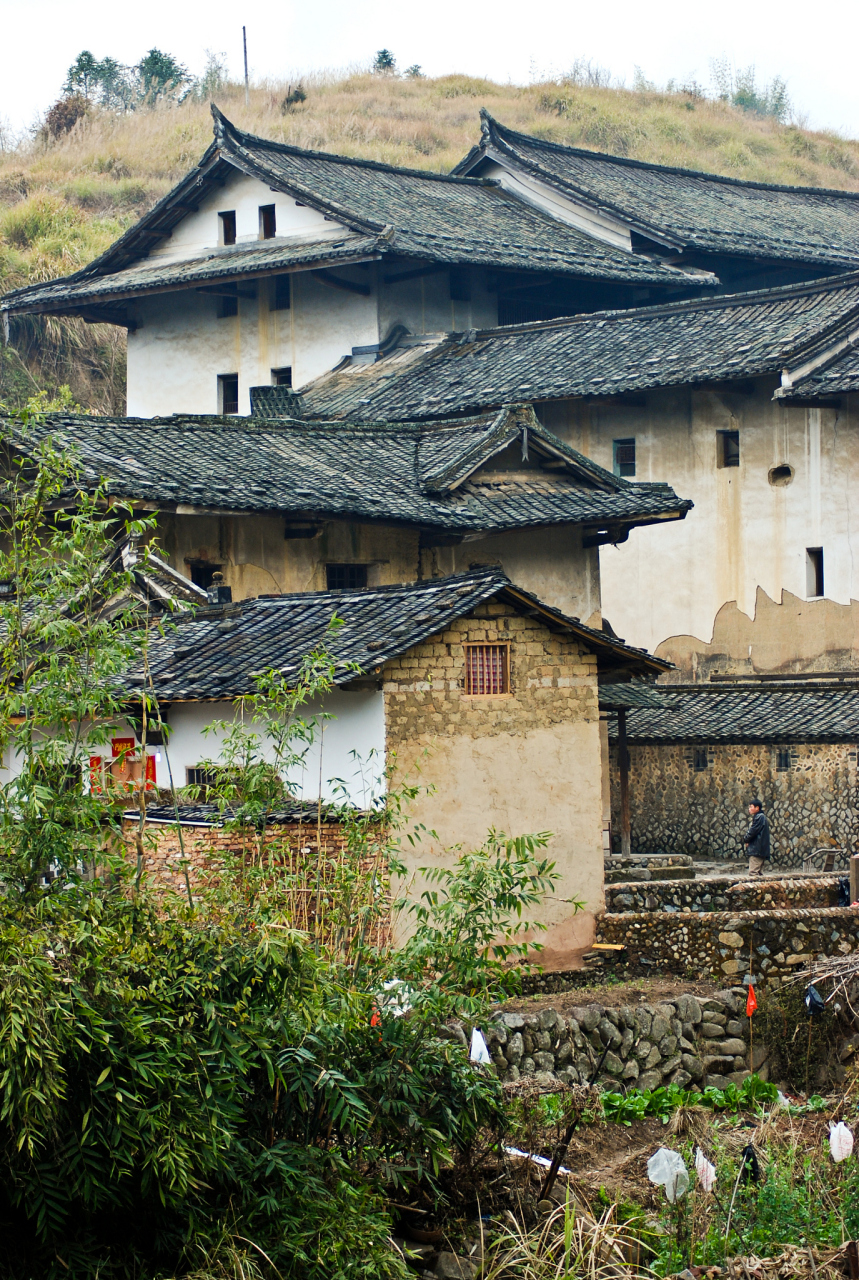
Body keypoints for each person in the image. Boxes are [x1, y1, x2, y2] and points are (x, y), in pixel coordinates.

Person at [743, 800, 771, 875]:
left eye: (751, 807)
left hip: (757, 850)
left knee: (753, 873)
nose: (749, 809)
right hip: (760, 849)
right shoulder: (762, 817)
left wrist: (746, 839)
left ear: (757, 808)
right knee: (759, 873)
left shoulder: (759, 817)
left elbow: (753, 831)